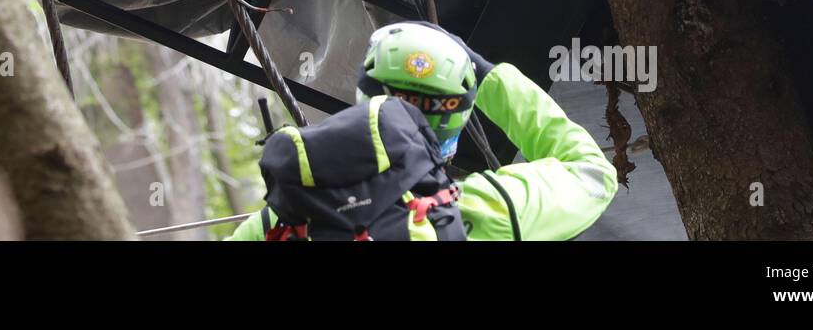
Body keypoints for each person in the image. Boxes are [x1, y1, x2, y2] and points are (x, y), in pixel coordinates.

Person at [227, 21, 617, 240]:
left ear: (366, 97)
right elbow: (592, 174)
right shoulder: (485, 210)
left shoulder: (283, 222)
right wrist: (489, 78)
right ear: (457, 115)